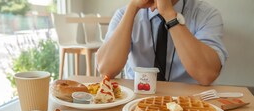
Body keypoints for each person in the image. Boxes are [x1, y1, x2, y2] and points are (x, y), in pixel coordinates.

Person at [96, 0, 228, 85]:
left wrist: (170, 15)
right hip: (138, 98)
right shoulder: (124, 13)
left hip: (189, 101)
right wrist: (132, 8)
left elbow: (206, 75)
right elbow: (106, 70)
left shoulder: (206, 14)